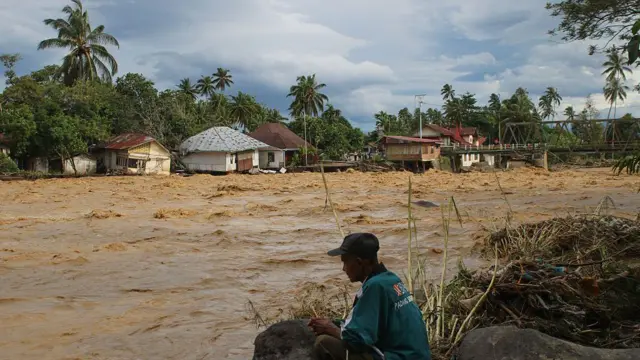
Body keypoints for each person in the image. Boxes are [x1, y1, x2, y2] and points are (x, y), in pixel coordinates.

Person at [308, 233, 432, 360]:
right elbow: (369, 323)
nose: (343, 269)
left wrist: (330, 328)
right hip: (416, 355)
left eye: (345, 262)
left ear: (359, 262)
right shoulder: (390, 279)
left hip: (398, 357)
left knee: (324, 343)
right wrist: (335, 323)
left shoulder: (374, 286)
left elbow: (358, 342)